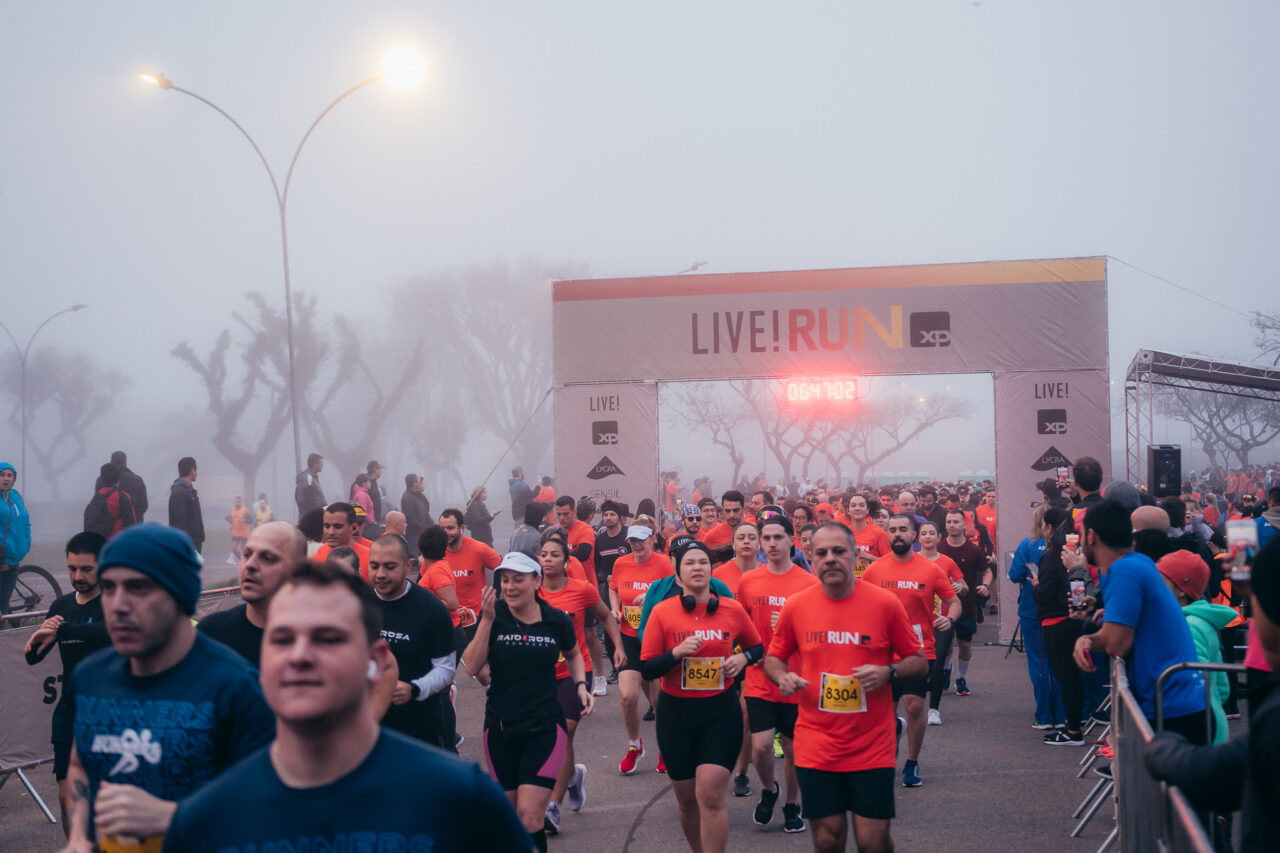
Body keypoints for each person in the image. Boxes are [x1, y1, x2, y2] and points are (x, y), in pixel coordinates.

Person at [163, 559, 529, 853]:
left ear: (375, 661)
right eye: (282, 638)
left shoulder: (463, 802)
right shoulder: (205, 820)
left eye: (328, 638)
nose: (301, 656)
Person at [59, 523, 275, 852]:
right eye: (109, 587)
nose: (117, 605)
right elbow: (79, 765)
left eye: (138, 588)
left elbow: (275, 806)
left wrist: (175, 817)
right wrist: (78, 836)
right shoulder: (90, 677)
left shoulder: (235, 687)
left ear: (180, 594)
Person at [764, 523, 927, 853]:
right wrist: (782, 677)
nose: (830, 559)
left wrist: (888, 671)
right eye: (822, 552)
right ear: (810, 555)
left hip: (872, 742)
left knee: (873, 842)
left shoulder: (885, 603)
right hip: (816, 741)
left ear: (854, 555)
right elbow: (773, 658)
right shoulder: (796, 606)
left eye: (839, 551)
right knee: (828, 839)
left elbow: (919, 661)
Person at [1142, 538, 1280, 852]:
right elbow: (1221, 686)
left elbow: (1216, 777)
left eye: (1259, 602)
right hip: (1212, 718)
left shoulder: (1274, 720)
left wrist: (1162, 747)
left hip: (1198, 729)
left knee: (1207, 824)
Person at [639, 540, 763, 853]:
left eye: (703, 562)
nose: (698, 567)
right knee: (686, 799)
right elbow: (648, 668)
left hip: (720, 712)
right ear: (678, 575)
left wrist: (743, 659)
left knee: (710, 794)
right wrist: (676, 653)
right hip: (675, 714)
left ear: (711, 569)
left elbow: (756, 646)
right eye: (690, 563)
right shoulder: (662, 612)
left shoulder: (731, 609)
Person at [463, 552, 590, 853]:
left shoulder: (555, 619)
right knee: (510, 819)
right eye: (505, 580)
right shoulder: (494, 616)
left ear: (536, 581)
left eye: (518, 580)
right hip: (500, 728)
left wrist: (581, 685)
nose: (510, 587)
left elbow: (573, 653)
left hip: (544, 727)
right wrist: (487, 621)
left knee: (531, 817)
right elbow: (470, 666)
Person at [1071, 499, 1209, 743]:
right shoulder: (1136, 563)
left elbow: (1117, 644)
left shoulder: (1125, 570)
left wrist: (1091, 639)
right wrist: (1088, 639)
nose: (1080, 543)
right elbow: (1116, 634)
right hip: (1176, 702)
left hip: (1170, 707)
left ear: (1091, 536)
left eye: (1080, 535)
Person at [536, 528, 625, 834]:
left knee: (563, 732)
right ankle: (572, 776)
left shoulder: (581, 589)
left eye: (554, 555)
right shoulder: (531, 590)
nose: (548, 560)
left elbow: (606, 616)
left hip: (576, 671)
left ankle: (553, 806)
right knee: (554, 737)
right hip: (540, 675)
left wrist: (618, 649)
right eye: (544, 554)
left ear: (566, 560)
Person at [862, 515, 960, 787]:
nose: (897, 534)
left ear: (914, 535)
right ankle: (888, 746)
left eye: (903, 530)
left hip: (918, 651)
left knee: (915, 707)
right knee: (883, 713)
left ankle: (912, 763)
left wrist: (949, 619)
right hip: (883, 651)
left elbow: (954, 601)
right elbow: (860, 603)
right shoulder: (875, 570)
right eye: (892, 530)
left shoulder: (930, 570)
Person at [23, 532, 111, 832]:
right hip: (70, 716)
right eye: (72, 568)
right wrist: (44, 633)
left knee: (107, 802)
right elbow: (33, 657)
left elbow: (108, 632)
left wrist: (63, 630)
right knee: (67, 799)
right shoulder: (61, 607)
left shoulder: (115, 603)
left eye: (86, 569)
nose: (77, 576)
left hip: (112, 715)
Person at [737, 515, 818, 832]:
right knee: (760, 746)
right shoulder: (749, 581)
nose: (771, 544)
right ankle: (770, 790)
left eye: (777, 538)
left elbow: (819, 632)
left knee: (795, 748)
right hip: (759, 678)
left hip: (796, 679)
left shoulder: (808, 583)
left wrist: (791, 630)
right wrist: (741, 657)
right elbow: (739, 627)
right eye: (766, 538)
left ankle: (792, 805)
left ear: (791, 541)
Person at [368, 534, 458, 750]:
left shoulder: (431, 609)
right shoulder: (357, 603)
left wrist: (414, 689)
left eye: (390, 567)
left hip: (419, 728)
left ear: (408, 566)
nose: (380, 574)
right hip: (367, 728)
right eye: (374, 566)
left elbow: (446, 669)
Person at [609, 523, 675, 774]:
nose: (636, 545)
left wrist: (650, 599)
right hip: (627, 637)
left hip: (653, 637)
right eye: (632, 541)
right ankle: (635, 746)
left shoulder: (663, 565)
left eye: (641, 540)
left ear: (652, 539)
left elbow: (673, 596)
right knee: (628, 696)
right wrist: (615, 608)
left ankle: (666, 747)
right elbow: (613, 587)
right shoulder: (621, 563)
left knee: (659, 700)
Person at [198, 521, 307, 669]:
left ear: (299, 569)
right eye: (247, 554)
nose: (250, 564)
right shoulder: (210, 635)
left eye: (268, 557)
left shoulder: (317, 641)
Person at [1156, 549, 1235, 745]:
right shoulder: (1203, 622)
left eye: (1161, 581)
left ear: (1181, 589)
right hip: (1212, 722)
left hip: (1198, 731)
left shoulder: (1188, 626)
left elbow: (1192, 684)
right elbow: (1222, 687)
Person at [1007, 506, 1065, 730]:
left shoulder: (1028, 545)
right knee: (1059, 664)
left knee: (1039, 664)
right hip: (1060, 611)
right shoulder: (1066, 546)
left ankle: (1043, 716)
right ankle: (1061, 715)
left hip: (1033, 611)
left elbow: (1014, 575)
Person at [938, 507, 990, 696]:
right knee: (945, 644)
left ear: (964, 525)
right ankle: (945, 670)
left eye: (956, 522)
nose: (952, 525)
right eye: (949, 522)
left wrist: (985, 585)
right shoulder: (939, 547)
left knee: (964, 645)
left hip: (967, 605)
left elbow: (987, 571)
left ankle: (961, 678)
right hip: (942, 606)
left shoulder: (973, 550)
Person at [439, 508, 502, 647]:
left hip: (475, 621)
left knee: (476, 667)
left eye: (450, 528)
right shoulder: (435, 552)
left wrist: (496, 594)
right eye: (442, 528)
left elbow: (502, 568)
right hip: (445, 620)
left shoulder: (479, 549)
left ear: (462, 528)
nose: (446, 533)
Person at [0, 462, 30, 615]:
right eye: (2, 475)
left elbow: (26, 521)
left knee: (4, 607)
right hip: (1, 558)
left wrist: (27, 543)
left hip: (15, 559)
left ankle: (3, 638)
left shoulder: (15, 496)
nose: (6, 479)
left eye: (9, 475)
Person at [313, 502, 371, 577]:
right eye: (327, 526)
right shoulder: (319, 555)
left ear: (352, 527)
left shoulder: (370, 558)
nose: (331, 532)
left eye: (338, 526)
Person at [84, 462, 138, 539]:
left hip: (99, 543)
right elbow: (131, 524)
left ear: (102, 478)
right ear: (119, 478)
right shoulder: (122, 496)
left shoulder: (98, 495)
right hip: (117, 543)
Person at [94, 451, 149, 522]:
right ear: (125, 462)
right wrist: (133, 518)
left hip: (107, 527)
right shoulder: (137, 480)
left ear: (111, 461)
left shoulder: (101, 480)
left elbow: (97, 503)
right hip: (133, 527)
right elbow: (143, 505)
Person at [167, 456, 204, 554]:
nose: (197, 473)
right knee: (190, 569)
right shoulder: (179, 492)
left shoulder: (188, 491)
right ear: (192, 471)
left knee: (196, 569)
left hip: (194, 542)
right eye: (196, 470)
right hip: (189, 544)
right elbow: (179, 521)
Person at [847, 494, 890, 578]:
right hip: (849, 585)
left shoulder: (879, 533)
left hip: (872, 583)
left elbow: (889, 564)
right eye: (853, 505)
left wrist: (866, 556)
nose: (857, 508)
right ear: (848, 510)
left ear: (867, 510)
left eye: (862, 505)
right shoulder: (843, 534)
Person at [401, 473, 432, 557]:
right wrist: (422, 527)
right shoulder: (407, 497)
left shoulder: (420, 496)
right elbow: (410, 517)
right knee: (415, 558)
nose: (423, 484)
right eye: (420, 482)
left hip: (422, 533)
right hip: (414, 535)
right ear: (414, 483)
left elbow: (425, 512)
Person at [295, 452, 327, 518]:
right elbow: (309, 500)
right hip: (313, 517)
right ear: (315, 464)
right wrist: (316, 514)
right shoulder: (308, 478)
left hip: (314, 515)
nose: (322, 466)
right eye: (321, 463)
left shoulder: (311, 478)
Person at [226, 495, 253, 565]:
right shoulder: (232, 510)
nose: (237, 503)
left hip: (244, 533)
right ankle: (242, 561)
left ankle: (248, 561)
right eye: (236, 502)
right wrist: (231, 524)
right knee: (234, 549)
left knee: (244, 550)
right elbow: (232, 518)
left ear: (241, 502)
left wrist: (244, 521)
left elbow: (251, 521)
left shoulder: (245, 510)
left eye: (239, 502)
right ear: (234, 502)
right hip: (235, 533)